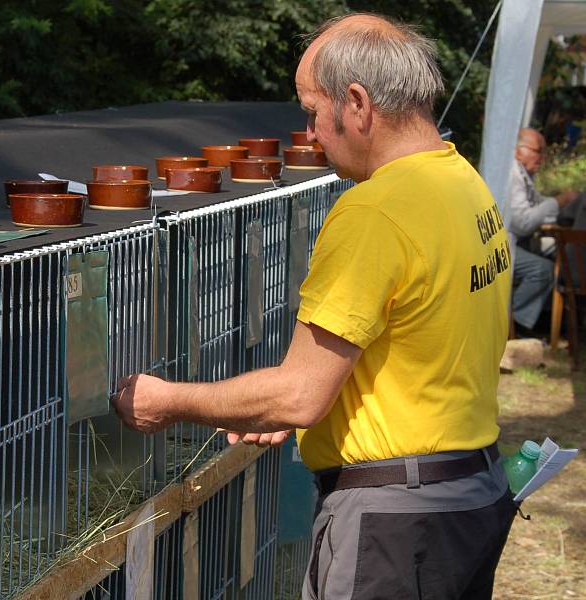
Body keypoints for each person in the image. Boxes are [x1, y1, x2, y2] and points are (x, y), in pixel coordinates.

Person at [112, 13, 516, 599]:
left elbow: (299, 396)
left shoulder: (374, 210)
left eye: (310, 111)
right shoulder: (461, 181)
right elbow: (432, 337)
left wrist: (167, 401)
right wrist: (276, 405)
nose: (308, 134)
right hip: (469, 494)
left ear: (357, 103)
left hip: (395, 527)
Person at [509, 128, 578, 335]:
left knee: (562, 252)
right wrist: (558, 202)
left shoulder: (523, 174)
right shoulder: (512, 175)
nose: (542, 157)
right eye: (537, 151)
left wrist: (561, 206)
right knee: (543, 270)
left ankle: (548, 316)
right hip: (502, 245)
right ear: (517, 151)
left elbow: (538, 205)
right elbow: (523, 222)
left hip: (519, 241)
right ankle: (516, 322)